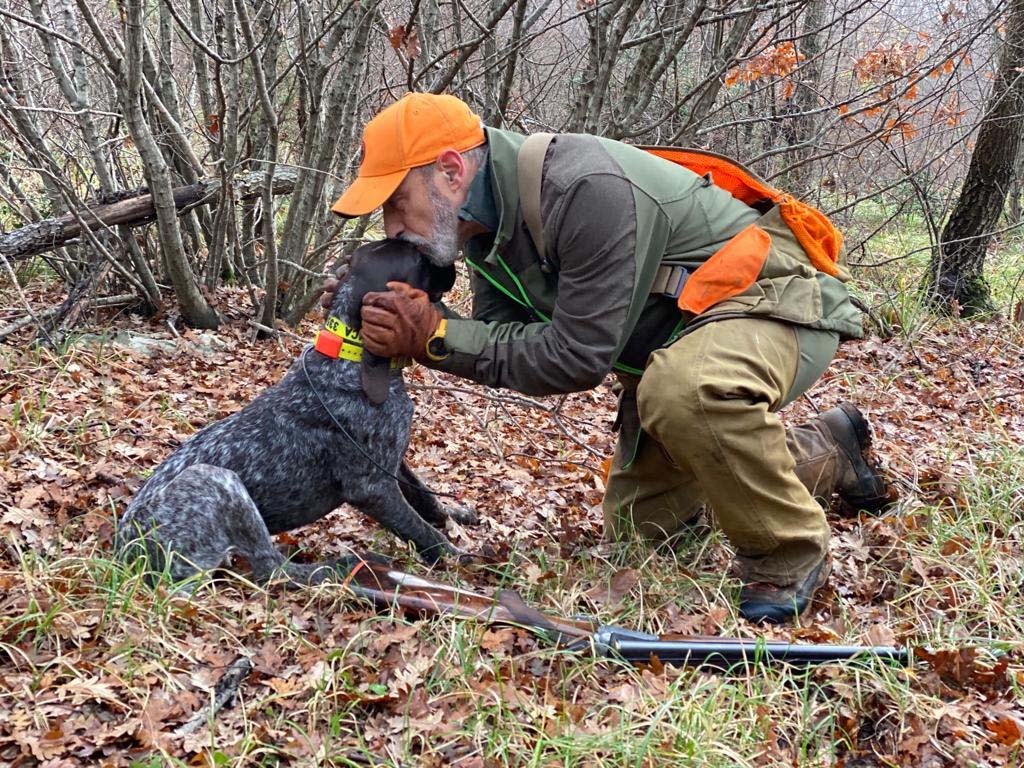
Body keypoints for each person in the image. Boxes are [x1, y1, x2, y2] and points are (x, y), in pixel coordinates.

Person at [324, 92, 893, 624]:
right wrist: (407, 315)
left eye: (397, 204)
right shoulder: (483, 228)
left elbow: (575, 357)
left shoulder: (584, 188)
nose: (393, 228)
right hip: (680, 343)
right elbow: (503, 338)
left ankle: (787, 550)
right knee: (645, 534)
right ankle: (831, 449)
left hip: (778, 308)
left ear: (451, 172)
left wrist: (433, 334)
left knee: (688, 392)